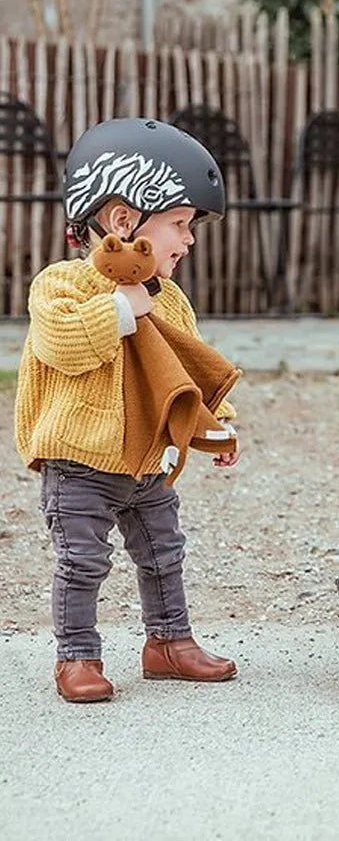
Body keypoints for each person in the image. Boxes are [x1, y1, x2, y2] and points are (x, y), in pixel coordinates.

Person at [14, 118, 242, 703]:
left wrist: (214, 427)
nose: (188, 240)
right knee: (83, 561)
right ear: (123, 221)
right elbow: (61, 344)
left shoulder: (170, 301)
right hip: (81, 463)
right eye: (179, 225)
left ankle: (168, 641)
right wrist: (121, 306)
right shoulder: (61, 285)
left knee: (165, 551)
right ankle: (77, 656)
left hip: (146, 458)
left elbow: (182, 374)